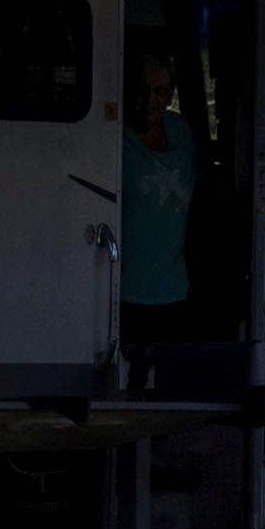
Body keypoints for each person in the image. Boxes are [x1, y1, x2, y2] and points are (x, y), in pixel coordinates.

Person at [115, 48, 197, 323]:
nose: (151, 99)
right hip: (125, 289)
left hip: (173, 286)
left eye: (160, 90)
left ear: (171, 95)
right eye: (144, 88)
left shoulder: (180, 131)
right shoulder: (116, 134)